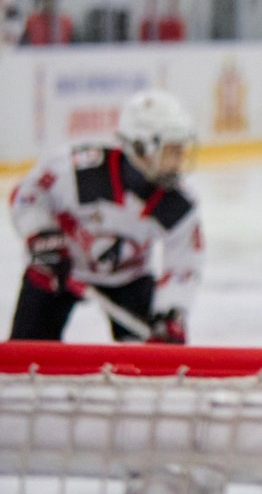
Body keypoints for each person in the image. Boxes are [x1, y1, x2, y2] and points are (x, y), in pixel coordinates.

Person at [9, 89, 201, 344]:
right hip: (59, 268)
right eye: (172, 150)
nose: (179, 160)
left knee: (154, 355)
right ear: (140, 147)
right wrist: (41, 233)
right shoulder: (80, 171)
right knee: (27, 353)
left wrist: (170, 312)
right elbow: (28, 195)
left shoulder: (177, 203)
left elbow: (184, 265)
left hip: (129, 279)